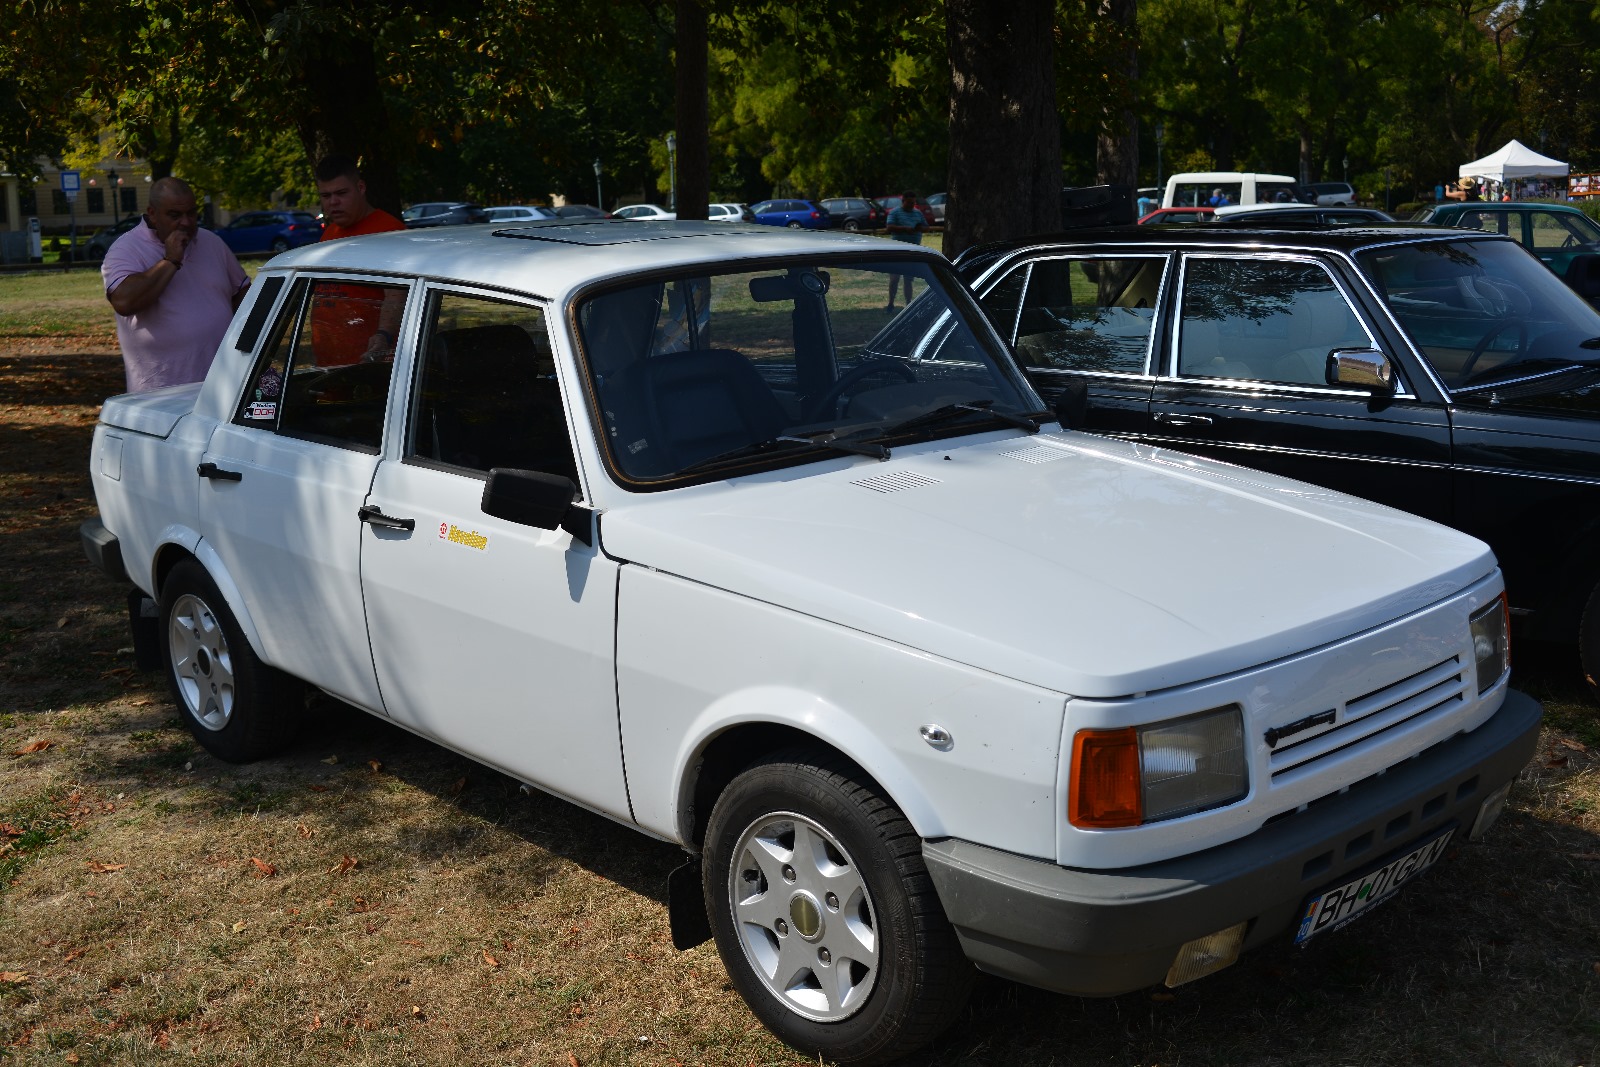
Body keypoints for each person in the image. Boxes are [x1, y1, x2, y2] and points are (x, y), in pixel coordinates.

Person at [102, 177, 250, 393]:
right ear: (152, 213)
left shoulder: (211, 242)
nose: (187, 222)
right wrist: (170, 261)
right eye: (175, 215)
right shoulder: (126, 249)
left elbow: (242, 292)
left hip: (221, 387)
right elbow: (124, 301)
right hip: (161, 393)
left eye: (191, 213)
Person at [311, 155, 407, 363]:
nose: (333, 202)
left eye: (341, 193)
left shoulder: (389, 232)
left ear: (361, 188)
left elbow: (397, 295)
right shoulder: (329, 234)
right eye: (325, 196)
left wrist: (383, 336)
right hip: (329, 365)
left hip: (370, 364)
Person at [883, 192, 927, 311]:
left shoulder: (918, 213)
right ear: (903, 201)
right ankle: (891, 303)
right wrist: (904, 229)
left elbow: (925, 226)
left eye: (913, 203)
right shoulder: (895, 212)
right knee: (894, 279)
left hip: (912, 251)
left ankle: (908, 304)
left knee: (908, 279)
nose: (912, 205)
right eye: (909, 203)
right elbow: (889, 227)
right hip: (896, 251)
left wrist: (918, 228)